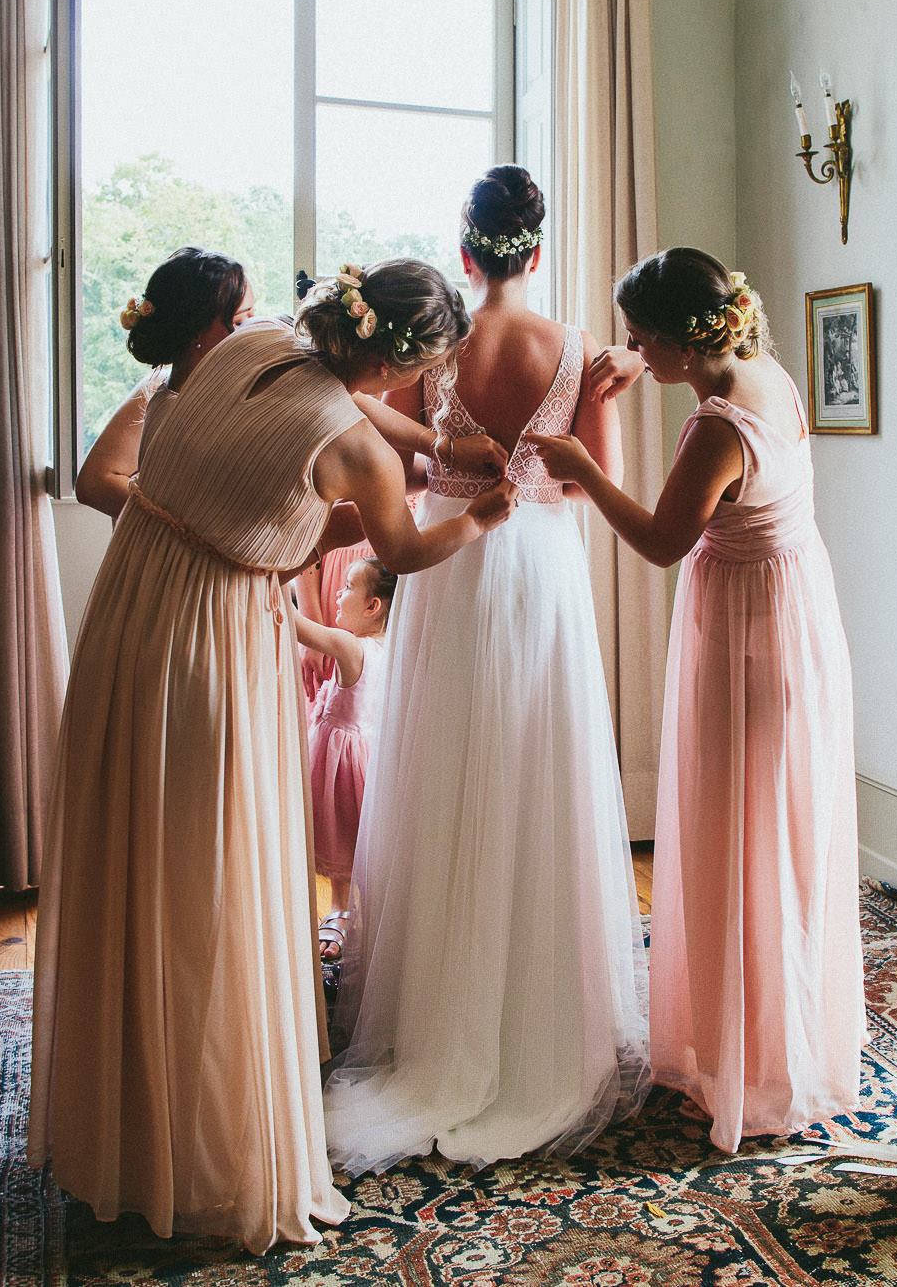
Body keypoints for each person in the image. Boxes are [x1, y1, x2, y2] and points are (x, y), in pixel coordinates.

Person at [30, 254, 514, 1251]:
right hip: (210, 640)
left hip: (129, 613)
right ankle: (201, 1151)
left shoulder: (253, 348)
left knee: (134, 867)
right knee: (209, 882)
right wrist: (478, 515)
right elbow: (404, 550)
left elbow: (251, 508)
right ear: (412, 359)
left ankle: (119, 1130)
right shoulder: (356, 445)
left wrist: (395, 466)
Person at [323, 165, 649, 1173]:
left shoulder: (441, 346)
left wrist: (448, 450)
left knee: (444, 766)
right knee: (533, 762)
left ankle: (433, 1012)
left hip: (455, 559)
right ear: (536, 251)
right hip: (540, 567)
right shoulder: (574, 349)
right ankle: (541, 1017)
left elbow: (405, 448)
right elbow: (596, 485)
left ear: (465, 252)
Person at [525, 248, 864, 1153]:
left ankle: (748, 1057)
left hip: (749, 638)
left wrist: (582, 469)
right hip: (793, 616)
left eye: (640, 334)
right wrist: (637, 367)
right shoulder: (769, 375)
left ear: (680, 339)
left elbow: (661, 542)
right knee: (778, 837)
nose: (629, 346)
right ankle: (773, 1043)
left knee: (738, 836)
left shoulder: (714, 429)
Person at [75, 248, 256, 520]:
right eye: (240, 321)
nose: (256, 328)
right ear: (197, 331)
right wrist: (185, 533)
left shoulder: (249, 386)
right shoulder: (160, 389)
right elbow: (93, 483)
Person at [293, 555, 396, 961]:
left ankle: (340, 913)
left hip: (339, 764)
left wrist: (263, 579)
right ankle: (354, 915)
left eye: (348, 587)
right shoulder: (390, 645)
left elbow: (298, 626)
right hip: (368, 757)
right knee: (355, 844)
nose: (337, 593)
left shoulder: (349, 646)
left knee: (339, 835)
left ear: (373, 606)